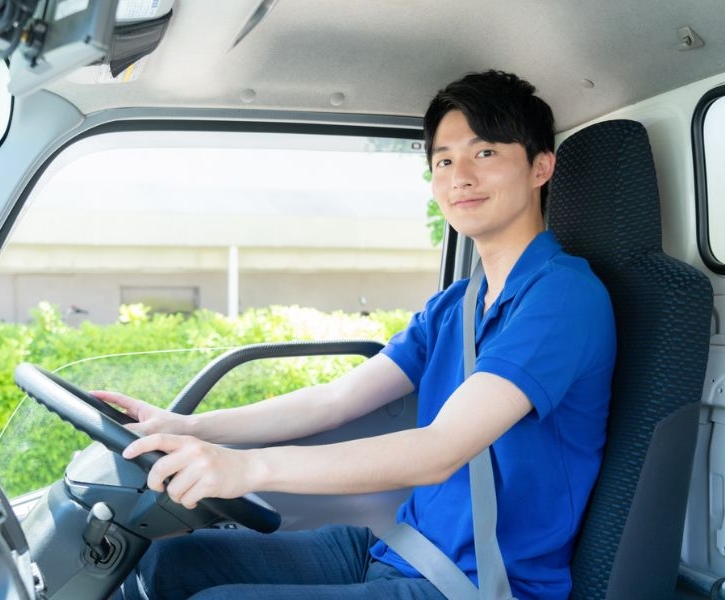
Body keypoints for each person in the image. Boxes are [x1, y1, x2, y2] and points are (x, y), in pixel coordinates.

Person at [98, 70, 616, 600]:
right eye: (443, 161)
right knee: (169, 562)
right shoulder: (455, 307)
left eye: (484, 153)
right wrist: (190, 426)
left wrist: (248, 467)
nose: (459, 177)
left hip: (480, 585)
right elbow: (335, 400)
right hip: (400, 550)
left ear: (540, 167)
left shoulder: (563, 297)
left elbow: (440, 449)